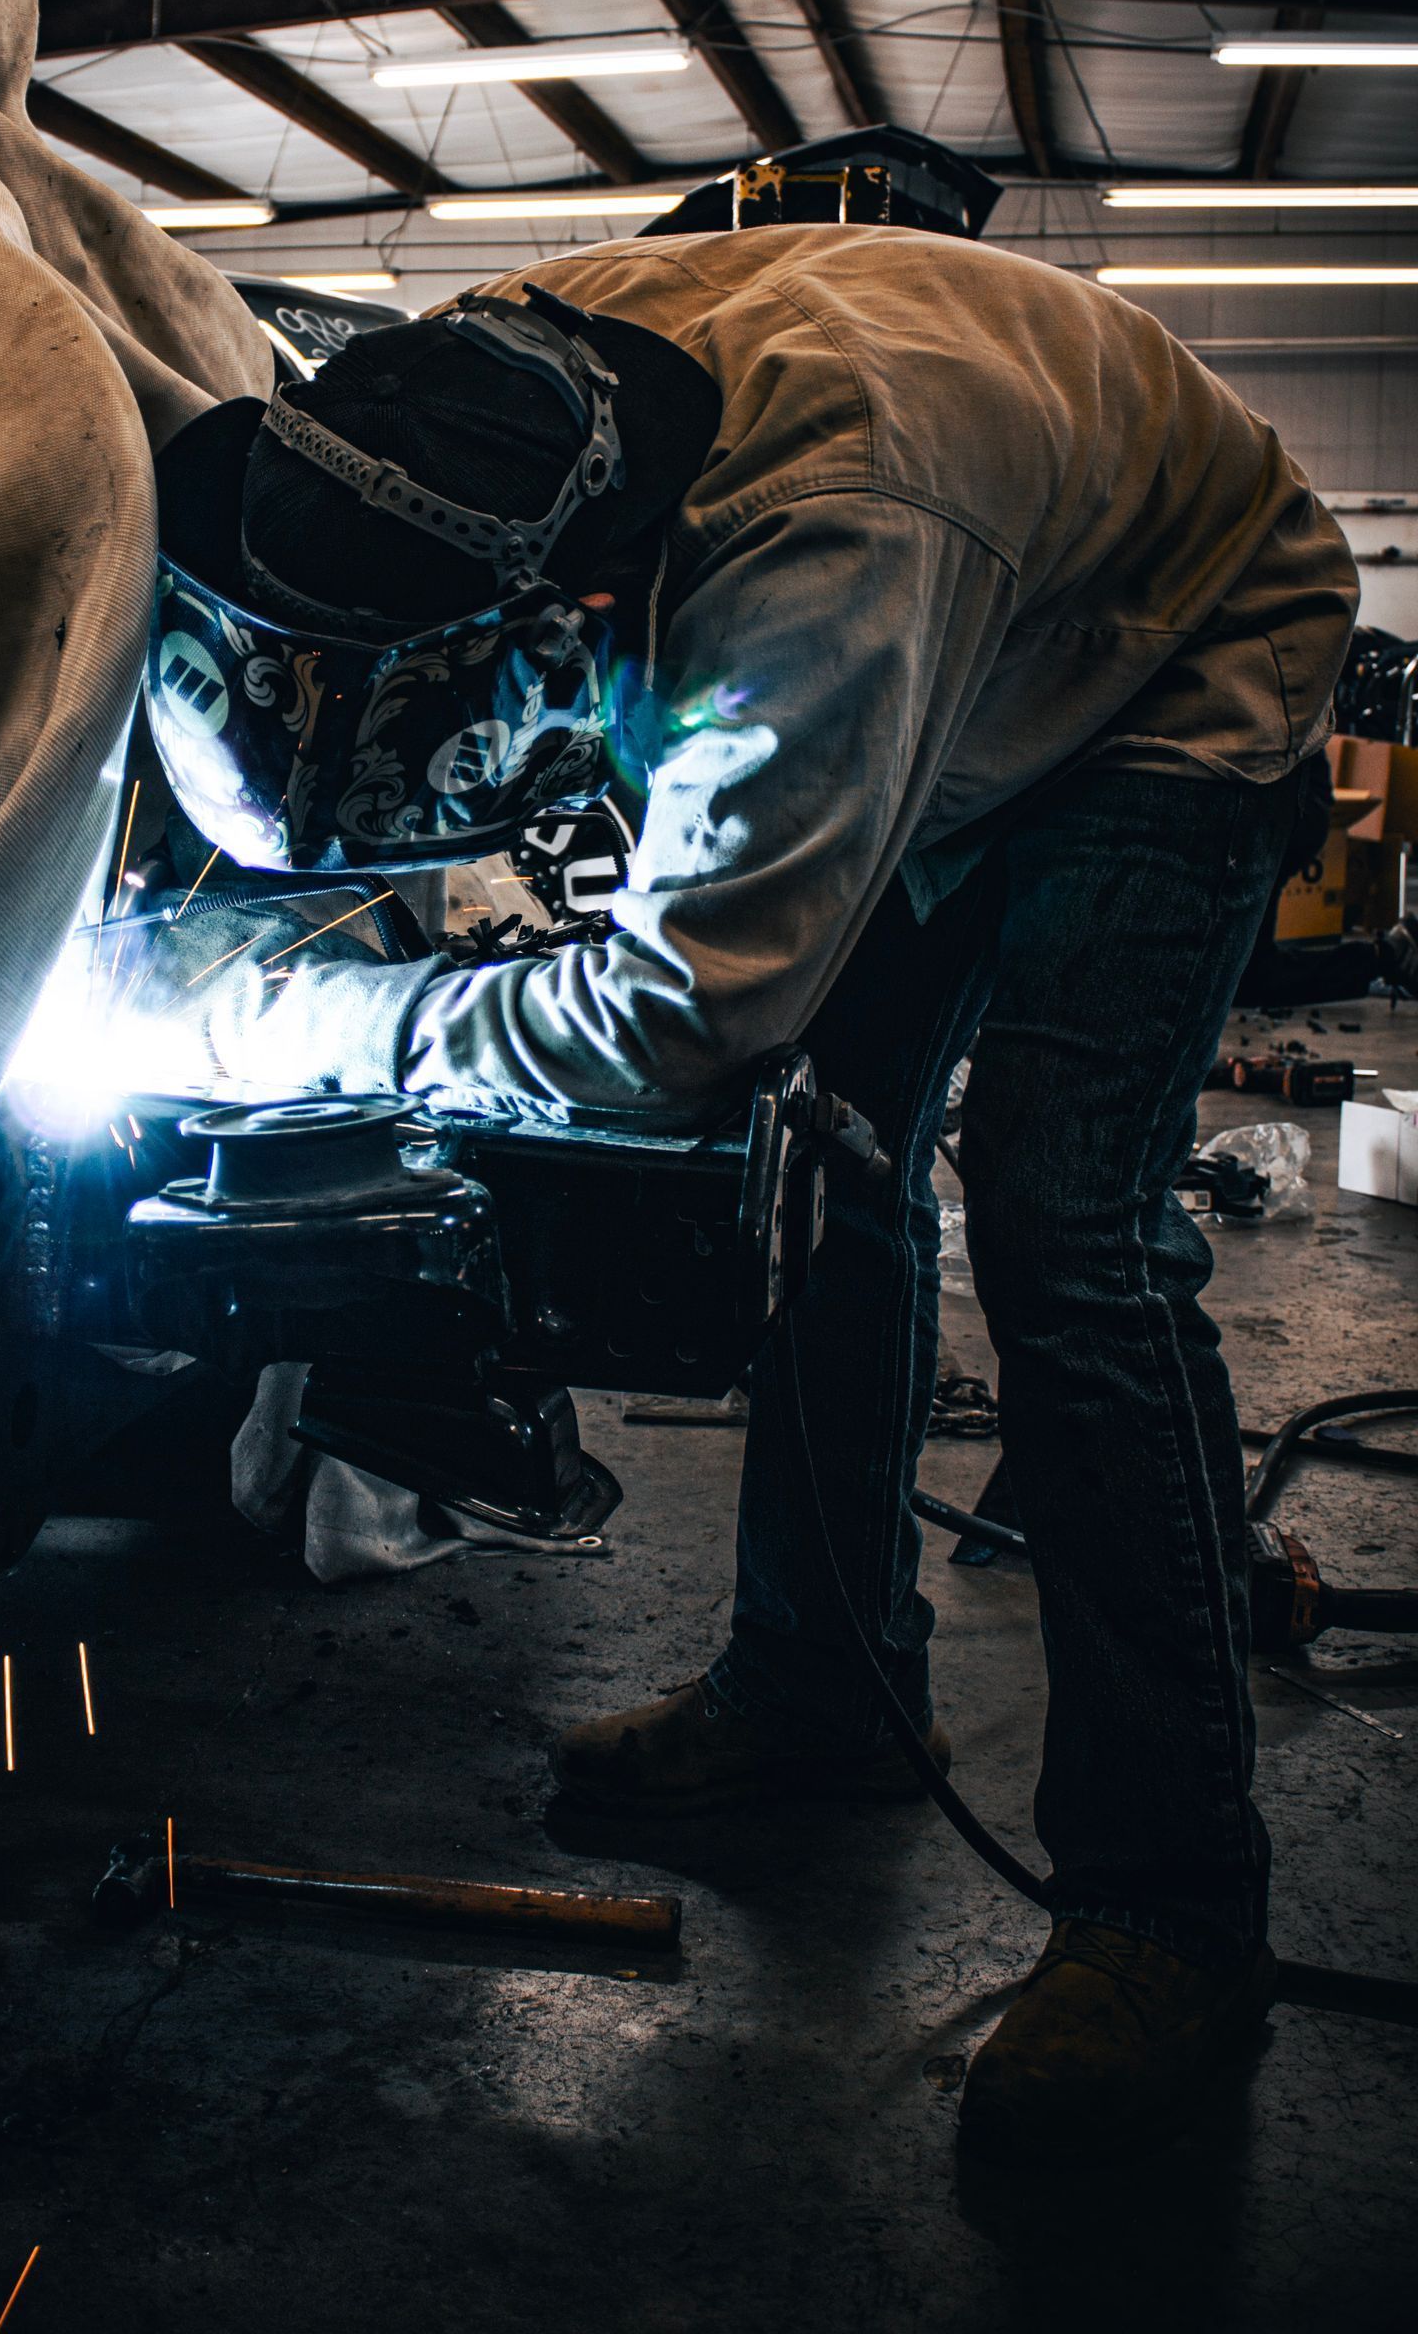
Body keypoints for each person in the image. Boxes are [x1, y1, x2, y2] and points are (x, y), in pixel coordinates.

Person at [131, 219, 1357, 2161]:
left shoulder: (817, 563)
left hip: (1168, 657)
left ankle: (1172, 1915)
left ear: (577, 607)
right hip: (969, 586)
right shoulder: (454, 404)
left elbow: (670, 1023)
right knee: (827, 1166)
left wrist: (288, 1027)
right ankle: (822, 1692)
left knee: (1064, 1227)